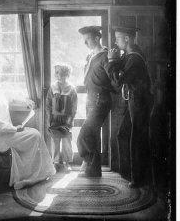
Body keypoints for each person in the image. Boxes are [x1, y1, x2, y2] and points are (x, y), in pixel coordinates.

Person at [0, 67, 56, 190]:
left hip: (6, 133)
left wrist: (26, 100)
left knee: (34, 133)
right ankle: (31, 176)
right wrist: (13, 128)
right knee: (35, 135)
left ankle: (34, 174)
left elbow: (12, 96)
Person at [105, 26, 153, 188]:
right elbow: (121, 72)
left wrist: (111, 61)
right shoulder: (131, 55)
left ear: (126, 39)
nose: (115, 42)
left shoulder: (134, 58)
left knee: (137, 139)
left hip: (139, 102)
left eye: (118, 38)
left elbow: (118, 82)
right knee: (123, 135)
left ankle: (138, 178)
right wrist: (115, 61)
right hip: (134, 101)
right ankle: (128, 174)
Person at [77, 26, 113, 177]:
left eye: (88, 40)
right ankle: (94, 170)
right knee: (93, 134)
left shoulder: (105, 56)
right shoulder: (91, 56)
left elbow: (113, 78)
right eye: (84, 41)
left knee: (85, 134)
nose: (85, 43)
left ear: (97, 38)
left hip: (101, 99)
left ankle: (87, 160)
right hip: (91, 98)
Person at [45, 63, 78, 172]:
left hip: (66, 119)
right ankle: (56, 162)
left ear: (65, 74)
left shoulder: (71, 88)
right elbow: (48, 104)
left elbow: (74, 106)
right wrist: (49, 118)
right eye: (56, 72)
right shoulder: (53, 87)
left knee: (66, 141)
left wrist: (70, 119)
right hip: (54, 119)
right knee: (55, 140)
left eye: (58, 72)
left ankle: (66, 162)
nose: (56, 74)